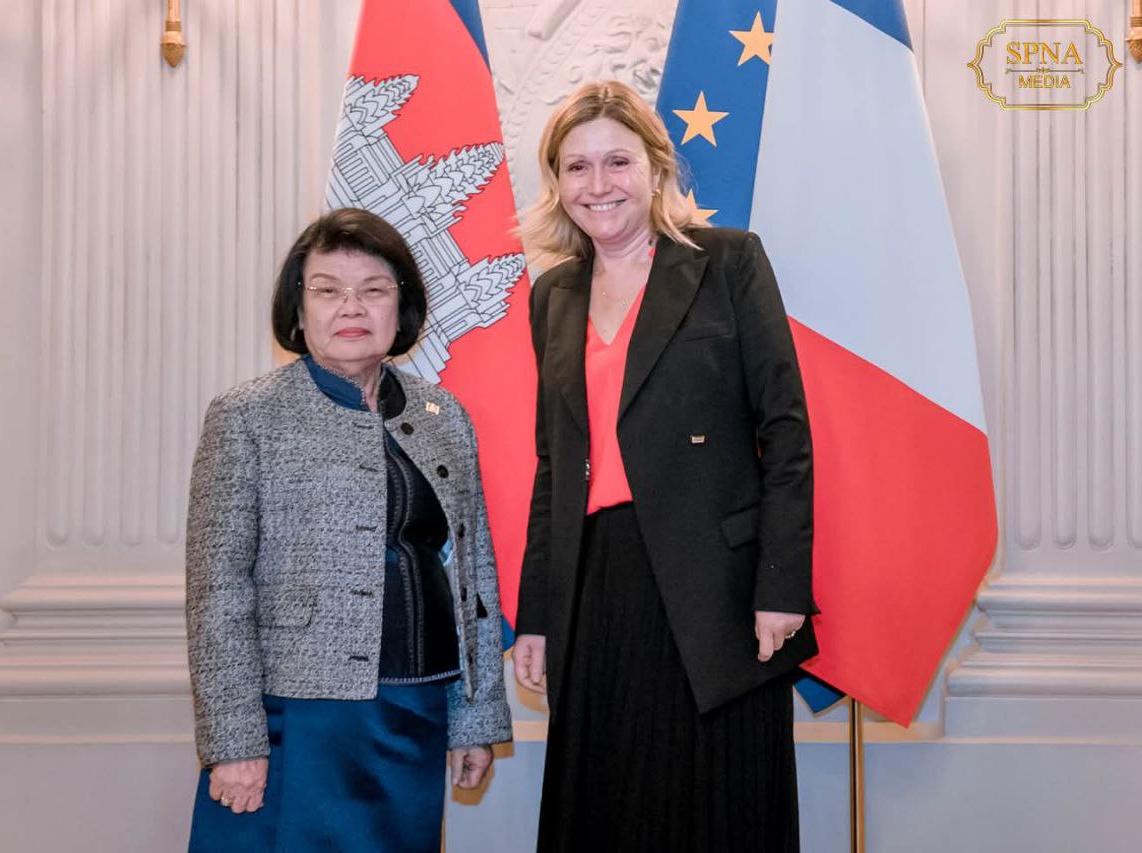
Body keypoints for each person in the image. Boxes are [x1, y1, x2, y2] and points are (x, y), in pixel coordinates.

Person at [512, 80, 818, 852]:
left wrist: (781, 586)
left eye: (617, 161)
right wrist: (537, 614)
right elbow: (554, 467)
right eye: (577, 167)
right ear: (558, 184)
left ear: (655, 169)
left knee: (718, 813)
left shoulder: (728, 261)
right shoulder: (552, 296)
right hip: (597, 590)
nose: (599, 183)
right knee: (609, 809)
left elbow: (785, 433)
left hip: (719, 593)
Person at [184, 207, 512, 852]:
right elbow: (216, 591)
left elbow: (471, 571)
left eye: (374, 289)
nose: (351, 306)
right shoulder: (247, 415)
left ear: (401, 308)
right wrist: (234, 741)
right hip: (301, 715)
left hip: (417, 709)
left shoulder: (443, 414)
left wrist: (475, 716)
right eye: (328, 289)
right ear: (298, 309)